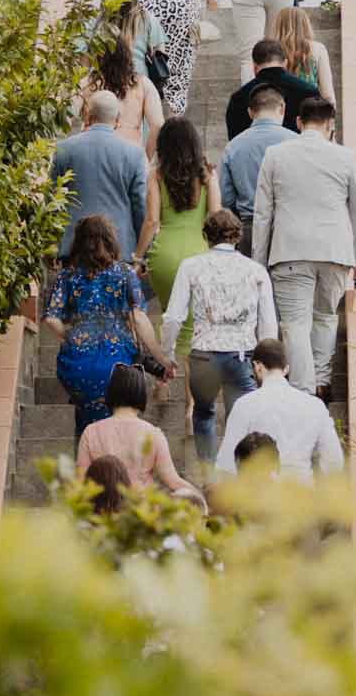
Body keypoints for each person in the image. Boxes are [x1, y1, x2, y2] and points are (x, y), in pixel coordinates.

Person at [251, 96, 356, 396]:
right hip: (335, 253)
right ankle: (321, 381)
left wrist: (258, 261)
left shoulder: (275, 155)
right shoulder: (345, 157)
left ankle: (304, 392)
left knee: (294, 325)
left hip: (289, 252)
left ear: (297, 122)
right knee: (325, 317)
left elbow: (263, 214)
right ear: (331, 125)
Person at [162, 208, 278, 463]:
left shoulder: (191, 266)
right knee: (243, 417)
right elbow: (268, 323)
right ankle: (241, 475)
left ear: (206, 236)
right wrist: (266, 362)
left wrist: (168, 353)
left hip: (204, 355)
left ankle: (208, 474)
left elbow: (173, 317)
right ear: (237, 236)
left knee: (203, 414)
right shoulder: (256, 270)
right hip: (242, 355)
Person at [44, 215, 174, 432]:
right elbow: (140, 320)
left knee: (86, 419)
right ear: (110, 240)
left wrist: (69, 335)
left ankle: (86, 459)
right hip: (116, 365)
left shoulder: (67, 276)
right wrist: (163, 359)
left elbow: (50, 318)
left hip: (77, 362)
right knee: (115, 422)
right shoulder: (124, 273)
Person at [214, 338, 344, 483]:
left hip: (260, 496)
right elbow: (334, 461)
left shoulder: (244, 405)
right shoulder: (315, 405)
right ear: (286, 368)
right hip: (303, 495)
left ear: (257, 367)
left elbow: (226, 464)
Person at [77, 363, 205, 506]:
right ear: (141, 393)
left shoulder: (91, 432)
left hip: (103, 513)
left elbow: (81, 482)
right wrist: (202, 501)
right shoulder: (153, 434)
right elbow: (173, 481)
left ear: (110, 392)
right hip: (141, 514)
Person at [48, 91, 148, 262]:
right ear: (118, 118)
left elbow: (52, 201)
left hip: (74, 248)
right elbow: (139, 206)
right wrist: (142, 253)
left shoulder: (64, 149)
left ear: (87, 114)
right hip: (119, 249)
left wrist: (50, 245)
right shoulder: (134, 154)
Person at [137, 116, 220, 304]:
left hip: (163, 256)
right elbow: (216, 215)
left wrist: (138, 258)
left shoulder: (156, 175)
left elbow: (152, 221)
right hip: (200, 252)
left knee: (170, 317)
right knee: (196, 320)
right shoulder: (208, 174)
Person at [218, 86, 296, 254]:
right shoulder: (296, 142)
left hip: (249, 230)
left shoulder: (233, 147)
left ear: (250, 112)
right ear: (282, 108)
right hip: (288, 228)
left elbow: (226, 199)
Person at [83, 23, 165, 157]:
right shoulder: (142, 84)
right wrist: (146, 156)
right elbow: (158, 124)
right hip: (130, 156)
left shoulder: (88, 84)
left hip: (93, 155)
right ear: (125, 52)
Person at [224, 38, 320, 142]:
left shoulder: (238, 98)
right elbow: (317, 136)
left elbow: (235, 141)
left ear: (254, 67)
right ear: (285, 63)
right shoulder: (308, 92)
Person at [100, 0, 167, 95]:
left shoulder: (97, 23)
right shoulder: (147, 19)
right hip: (139, 84)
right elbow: (161, 54)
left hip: (104, 82)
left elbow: (84, 62)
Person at [255, 6, 334, 101]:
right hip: (308, 110)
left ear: (278, 24)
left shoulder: (270, 50)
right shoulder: (318, 49)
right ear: (305, 24)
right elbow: (327, 94)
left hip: (277, 109)